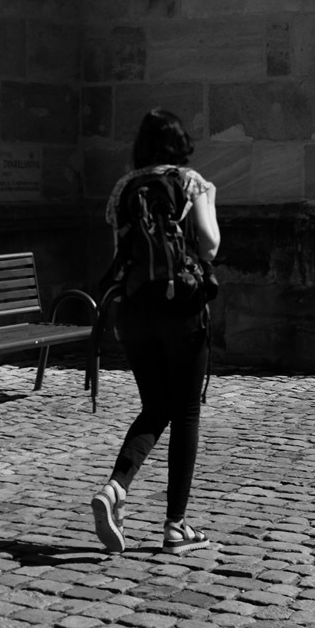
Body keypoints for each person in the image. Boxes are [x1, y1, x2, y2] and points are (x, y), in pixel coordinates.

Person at [91, 108, 221, 555]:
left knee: (155, 406)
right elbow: (209, 243)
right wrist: (211, 203)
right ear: (179, 143)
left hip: (134, 313)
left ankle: (114, 488)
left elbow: (120, 256)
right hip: (181, 309)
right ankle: (176, 526)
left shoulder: (123, 189)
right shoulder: (190, 182)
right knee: (185, 412)